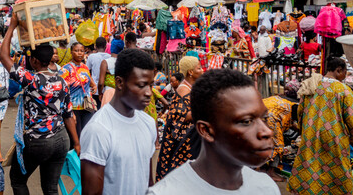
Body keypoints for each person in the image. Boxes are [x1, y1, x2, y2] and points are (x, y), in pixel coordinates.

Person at [148, 69, 279, 194]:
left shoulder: (266, 187)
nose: (266, 132)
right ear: (206, 131)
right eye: (246, 121)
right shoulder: (167, 192)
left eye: (264, 118)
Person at [0, 14, 80, 195]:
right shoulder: (62, 81)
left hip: (38, 141)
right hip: (61, 139)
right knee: (50, 187)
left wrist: (11, 27)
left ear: (35, 61)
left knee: (18, 180)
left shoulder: (31, 79)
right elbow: (68, 115)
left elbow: (4, 56)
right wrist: (76, 143)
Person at [81, 49, 158, 195]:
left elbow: (147, 181)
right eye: (141, 85)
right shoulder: (98, 130)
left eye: (150, 85)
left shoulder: (148, 123)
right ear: (120, 82)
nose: (148, 92)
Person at [288, 57, 353, 194]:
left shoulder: (311, 85)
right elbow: (351, 119)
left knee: (311, 168)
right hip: (335, 139)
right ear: (339, 70)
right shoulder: (344, 91)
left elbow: (300, 112)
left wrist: (303, 130)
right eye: (345, 73)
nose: (345, 76)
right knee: (337, 172)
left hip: (310, 135)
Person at [156, 56, 203, 179]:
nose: (202, 70)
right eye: (199, 68)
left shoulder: (189, 87)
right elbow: (184, 116)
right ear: (191, 72)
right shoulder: (184, 90)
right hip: (182, 140)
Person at [261, 80, 299, 182]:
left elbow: (289, 121)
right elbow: (294, 122)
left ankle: (263, 168)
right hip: (270, 119)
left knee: (264, 143)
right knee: (278, 145)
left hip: (259, 117)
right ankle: (271, 172)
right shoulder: (294, 103)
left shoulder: (276, 97)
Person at [61, 42, 96, 137]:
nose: (80, 53)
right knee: (78, 135)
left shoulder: (85, 67)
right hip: (74, 107)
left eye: (81, 51)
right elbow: (62, 90)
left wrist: (94, 85)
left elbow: (89, 78)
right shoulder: (66, 69)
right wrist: (70, 111)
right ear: (71, 52)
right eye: (76, 51)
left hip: (87, 105)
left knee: (88, 132)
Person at [97, 38, 124, 107]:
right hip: (122, 94)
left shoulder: (105, 62)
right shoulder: (125, 63)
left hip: (108, 92)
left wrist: (100, 93)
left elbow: (101, 82)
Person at [86, 37, 110, 107]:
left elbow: (87, 71)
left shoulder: (91, 57)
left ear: (95, 46)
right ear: (105, 47)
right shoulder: (109, 57)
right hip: (106, 89)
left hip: (95, 89)